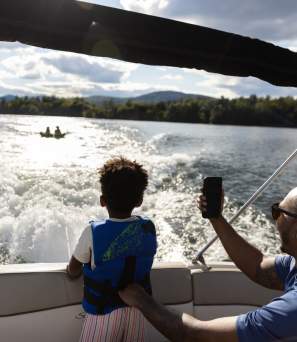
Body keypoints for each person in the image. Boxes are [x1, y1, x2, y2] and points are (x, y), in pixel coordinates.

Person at [118, 187, 297, 342]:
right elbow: (259, 268)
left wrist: (142, 300)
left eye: (278, 212)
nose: (275, 219)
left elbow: (195, 336)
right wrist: (216, 217)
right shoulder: (293, 264)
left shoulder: (292, 309)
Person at [67, 157, 157, 342]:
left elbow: (73, 269)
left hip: (102, 312)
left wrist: (73, 272)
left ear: (102, 200)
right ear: (139, 200)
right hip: (139, 309)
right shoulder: (148, 228)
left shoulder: (92, 232)